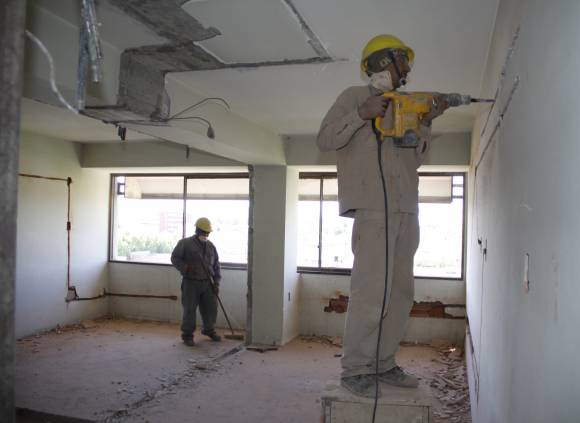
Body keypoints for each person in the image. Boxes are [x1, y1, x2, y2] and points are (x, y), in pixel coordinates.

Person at [316, 34, 449, 397]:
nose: (405, 69)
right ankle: (356, 368)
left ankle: (383, 362)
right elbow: (325, 139)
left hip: (406, 209)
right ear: (379, 62)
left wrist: (426, 122)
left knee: (401, 293)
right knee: (371, 292)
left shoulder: (406, 104)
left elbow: (414, 159)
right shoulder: (353, 97)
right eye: (400, 60)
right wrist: (361, 114)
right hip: (374, 209)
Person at [171, 217, 222, 346]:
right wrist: (185, 268)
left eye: (207, 232)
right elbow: (175, 258)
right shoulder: (185, 243)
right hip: (191, 283)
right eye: (203, 232)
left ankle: (209, 330)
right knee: (189, 310)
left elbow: (216, 265)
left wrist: (216, 283)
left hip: (207, 283)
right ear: (197, 230)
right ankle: (187, 335)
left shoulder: (211, 246)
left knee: (211, 307)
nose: (205, 235)